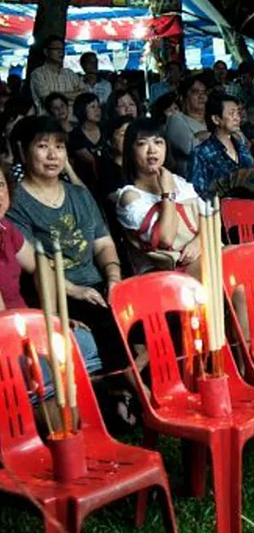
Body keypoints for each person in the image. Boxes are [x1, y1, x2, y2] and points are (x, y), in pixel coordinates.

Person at [6, 116, 128, 371]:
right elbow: (35, 265)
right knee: (109, 324)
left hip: (98, 285)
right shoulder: (15, 201)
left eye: (59, 146)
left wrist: (114, 278)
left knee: (147, 316)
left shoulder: (80, 194)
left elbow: (103, 244)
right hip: (57, 291)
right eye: (42, 146)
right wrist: (74, 289)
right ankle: (130, 393)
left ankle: (127, 389)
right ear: (22, 151)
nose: (53, 155)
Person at [0, 162, 105, 394]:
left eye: (0, 185)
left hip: (25, 327)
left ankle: (81, 405)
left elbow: (41, 266)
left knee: (81, 340)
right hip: (6, 337)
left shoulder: (6, 229)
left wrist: (53, 316)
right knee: (44, 365)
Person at [115, 118, 204, 275]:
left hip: (205, 253)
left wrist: (198, 242)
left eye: (158, 142)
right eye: (142, 144)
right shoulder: (130, 197)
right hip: (173, 271)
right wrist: (167, 193)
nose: (152, 150)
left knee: (250, 264)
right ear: (130, 150)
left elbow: (210, 217)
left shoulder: (177, 180)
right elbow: (166, 239)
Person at [189, 93, 254, 198]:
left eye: (237, 113)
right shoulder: (202, 153)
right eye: (231, 113)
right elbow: (197, 193)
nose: (237, 118)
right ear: (216, 119)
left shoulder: (242, 148)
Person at [164, 75, 209, 177]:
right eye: (195, 92)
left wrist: (206, 136)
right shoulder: (176, 119)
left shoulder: (213, 119)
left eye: (204, 92)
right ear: (183, 97)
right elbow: (193, 148)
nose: (201, 96)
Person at [30, 36, 88, 111]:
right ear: (46, 52)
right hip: (49, 121)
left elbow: (85, 94)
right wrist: (74, 94)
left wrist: (57, 95)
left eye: (62, 49)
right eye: (56, 49)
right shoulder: (38, 74)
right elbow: (48, 100)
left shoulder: (70, 74)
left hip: (71, 120)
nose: (61, 52)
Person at [68, 93, 105, 186]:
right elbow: (89, 160)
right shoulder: (75, 135)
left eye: (99, 107)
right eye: (92, 107)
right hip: (86, 182)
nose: (98, 111)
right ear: (82, 109)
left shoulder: (105, 129)